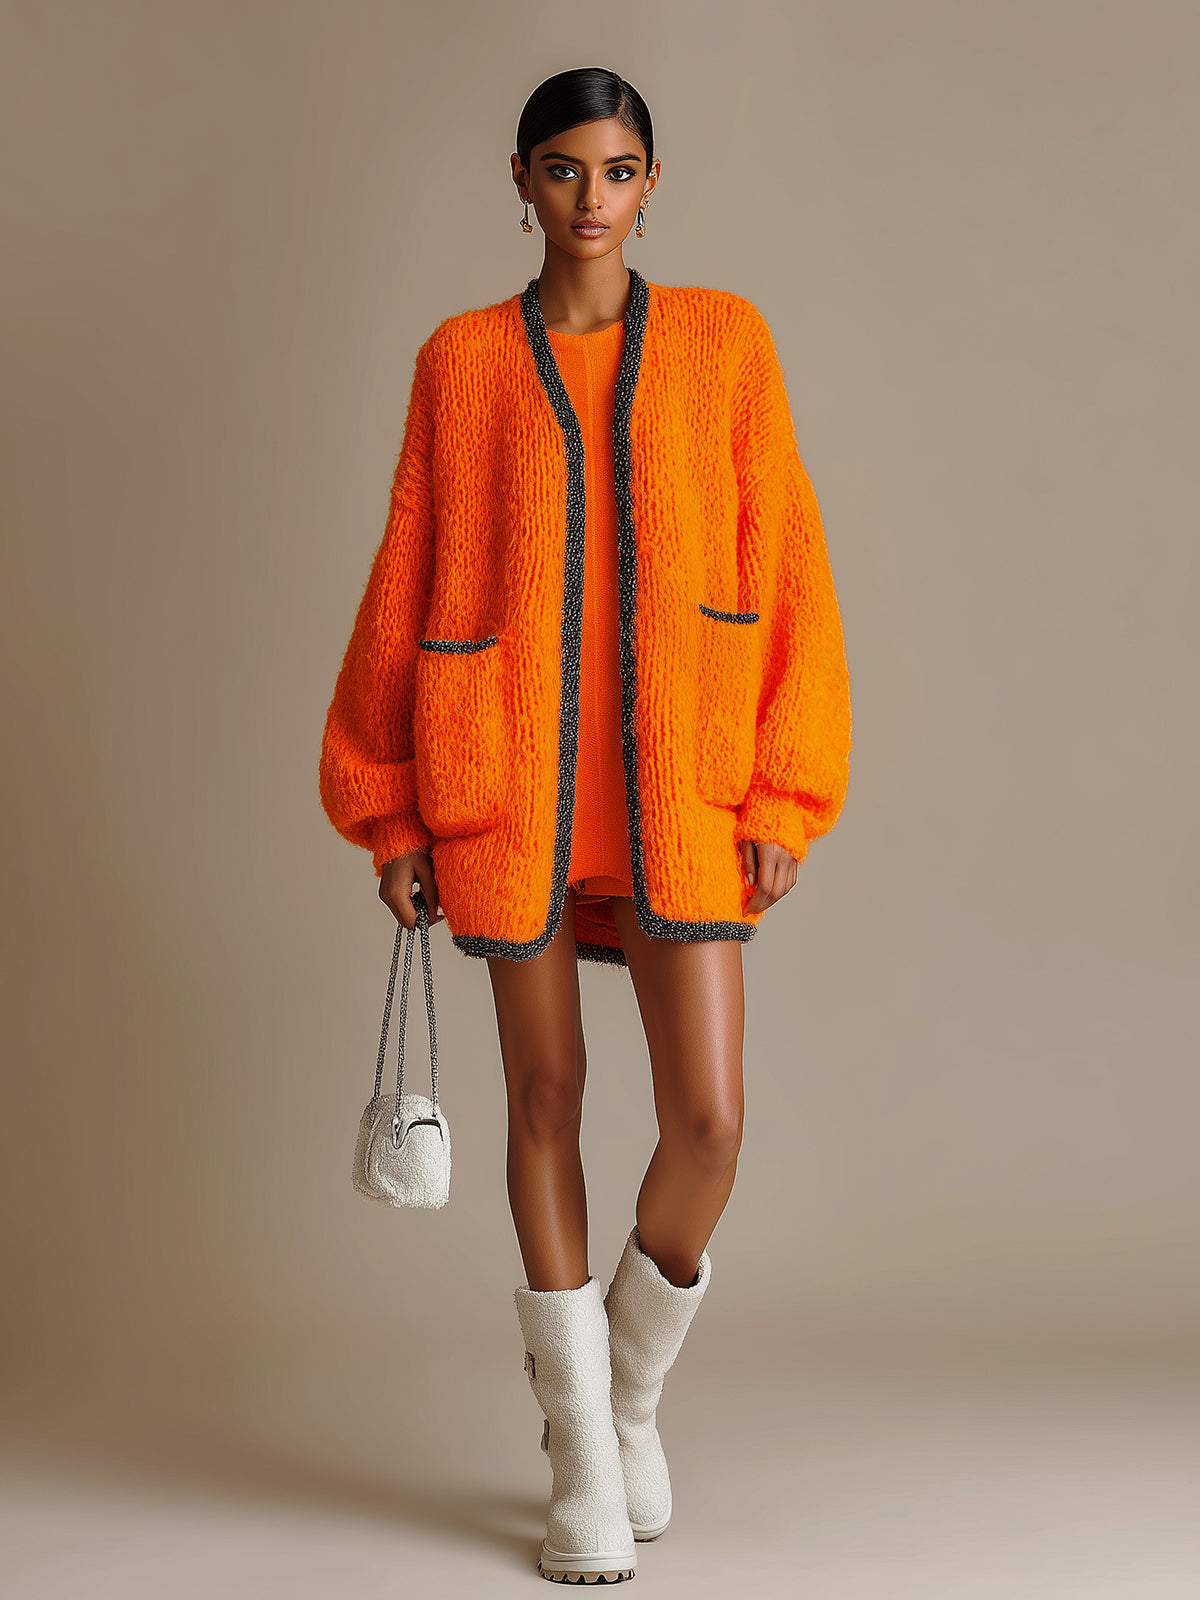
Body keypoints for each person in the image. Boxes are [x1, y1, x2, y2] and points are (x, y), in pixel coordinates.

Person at [319, 65, 852, 1585]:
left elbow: (790, 563)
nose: (591, 199)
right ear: (521, 180)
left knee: (710, 1121)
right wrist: (390, 805)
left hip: (680, 784)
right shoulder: (463, 360)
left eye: (618, 171)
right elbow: (408, 570)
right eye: (563, 169)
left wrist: (785, 786)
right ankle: (578, 1460)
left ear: (651, 183)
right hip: (508, 786)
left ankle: (621, 1399)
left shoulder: (728, 342)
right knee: (545, 1098)